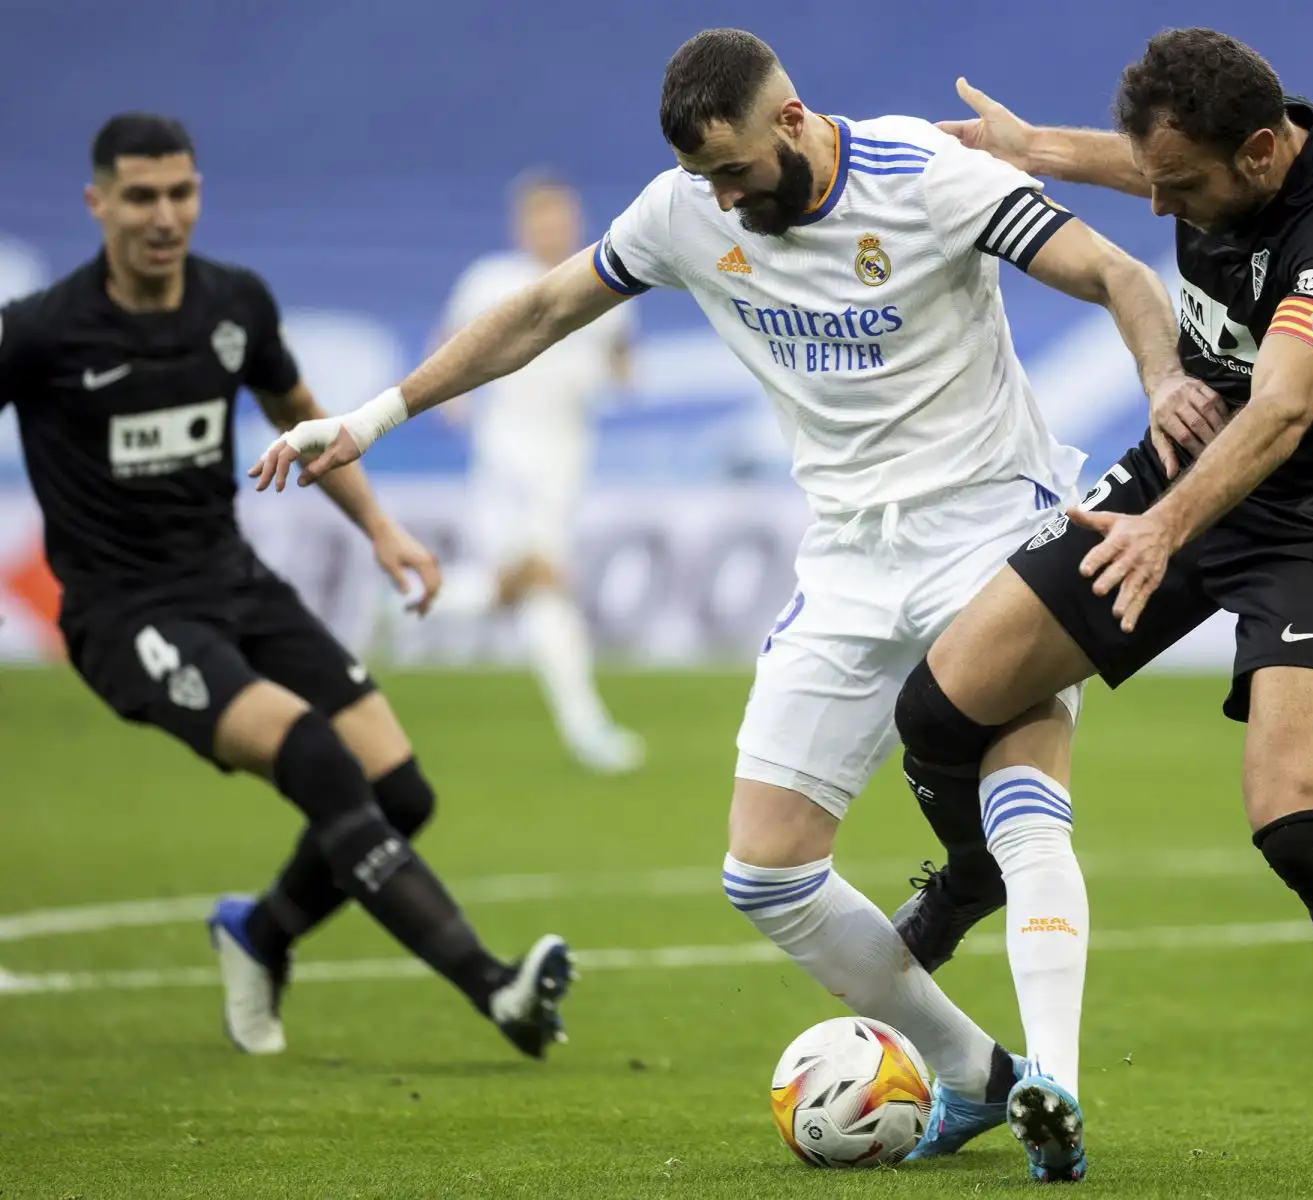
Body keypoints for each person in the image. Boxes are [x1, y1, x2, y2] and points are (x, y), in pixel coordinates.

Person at [250, 28, 1220, 1184]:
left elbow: (1116, 273)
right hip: (849, 560)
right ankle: (980, 1075)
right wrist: (366, 422)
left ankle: (1057, 1078)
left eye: (734, 170)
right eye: (702, 177)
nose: (721, 197)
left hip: (994, 530)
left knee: (1023, 793)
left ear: (793, 120)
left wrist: (1163, 382)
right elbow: (540, 312)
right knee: (764, 871)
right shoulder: (684, 212)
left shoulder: (926, 175)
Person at [889, 29, 1313, 1182]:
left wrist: (1164, 527)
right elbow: (1151, 164)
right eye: (1155, 175)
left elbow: (1285, 410)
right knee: (939, 710)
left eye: (1178, 186)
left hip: (1312, 520)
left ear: (1262, 154)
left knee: (1298, 823)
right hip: (1181, 469)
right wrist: (1035, 148)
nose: (1161, 201)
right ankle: (977, 870)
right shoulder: (1215, 148)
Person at [0, 113, 574, 1061]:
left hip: (237, 583)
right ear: (98, 203)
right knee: (315, 756)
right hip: (128, 617)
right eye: (140, 196)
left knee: (402, 790)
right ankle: (495, 988)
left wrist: (383, 530)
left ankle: (259, 935)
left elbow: (305, 419)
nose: (163, 215)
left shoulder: (234, 306)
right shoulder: (43, 332)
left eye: (180, 192)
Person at [432, 173, 644, 773]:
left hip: (566, 456)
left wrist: (618, 379)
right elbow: (449, 341)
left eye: (562, 218)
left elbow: (624, 358)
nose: (553, 230)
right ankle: (587, 728)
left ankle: (418, 600)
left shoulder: (601, 277)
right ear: (523, 225)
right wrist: (452, 401)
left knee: (524, 587)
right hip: (504, 454)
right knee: (540, 582)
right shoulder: (491, 280)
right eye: (542, 219)